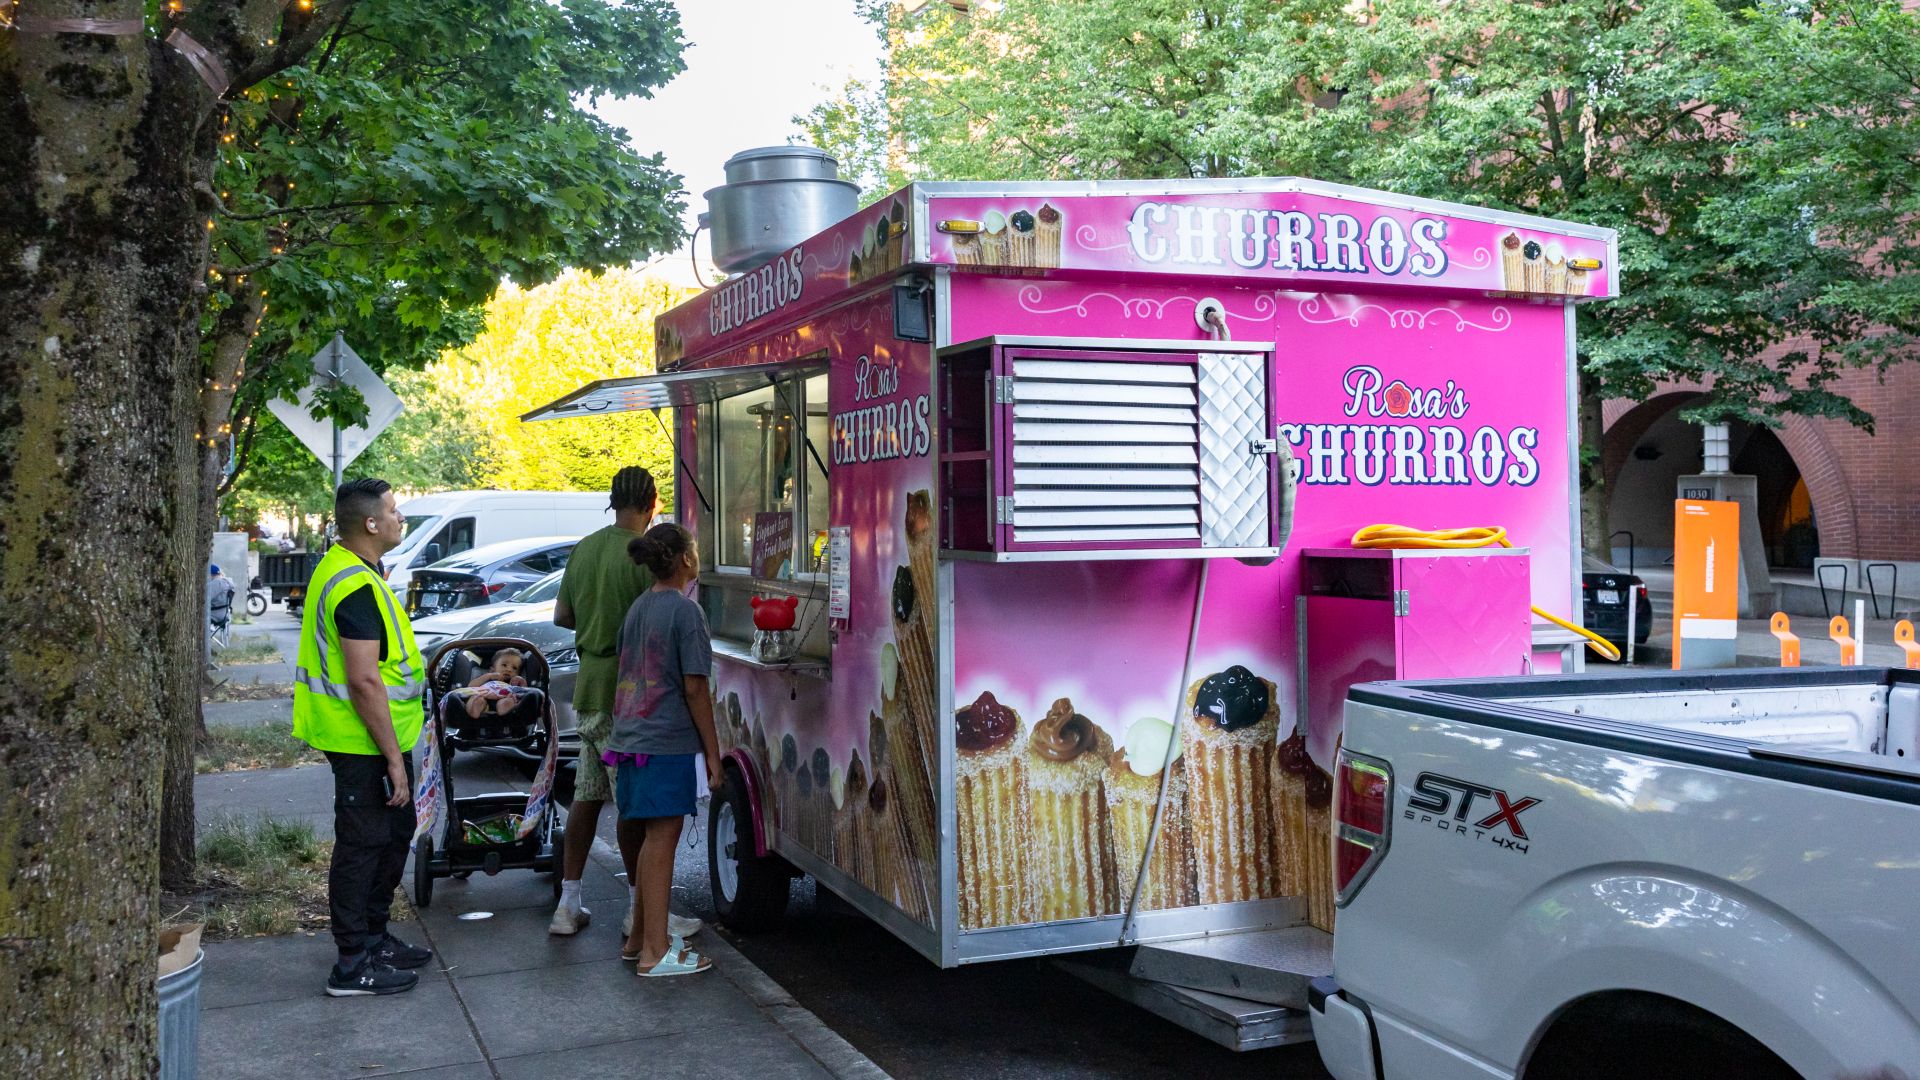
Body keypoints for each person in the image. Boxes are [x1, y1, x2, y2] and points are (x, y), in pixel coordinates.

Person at [291, 478, 434, 997]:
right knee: (363, 845)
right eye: (394, 511)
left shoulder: (360, 573)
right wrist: (393, 760)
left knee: (394, 836)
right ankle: (352, 964)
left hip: (376, 737)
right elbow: (363, 678)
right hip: (361, 741)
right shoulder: (352, 583)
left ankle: (373, 938)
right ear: (371, 523)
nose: (401, 519)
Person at [548, 467, 702, 943]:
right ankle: (642, 913)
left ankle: (567, 905)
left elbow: (562, 614)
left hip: (588, 690)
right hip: (631, 696)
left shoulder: (586, 547)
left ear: (612, 500)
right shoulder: (644, 557)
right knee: (635, 808)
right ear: (653, 500)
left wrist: (595, 623)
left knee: (588, 796)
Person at [611, 523, 723, 976]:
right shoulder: (685, 612)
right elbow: (696, 688)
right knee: (661, 841)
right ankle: (656, 954)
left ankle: (640, 939)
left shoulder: (639, 607)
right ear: (686, 560)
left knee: (646, 838)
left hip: (631, 738)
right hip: (665, 741)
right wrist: (714, 755)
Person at [465, 648, 529, 719]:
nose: (509, 670)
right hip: (485, 698)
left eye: (514, 668)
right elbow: (471, 686)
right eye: (504, 665)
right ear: (492, 669)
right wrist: (488, 676)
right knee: (477, 699)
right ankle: (475, 709)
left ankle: (505, 707)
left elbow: (524, 692)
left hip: (503, 698)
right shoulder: (487, 678)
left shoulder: (513, 683)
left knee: (511, 699)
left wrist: (521, 680)